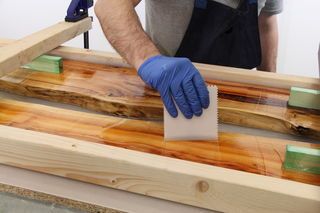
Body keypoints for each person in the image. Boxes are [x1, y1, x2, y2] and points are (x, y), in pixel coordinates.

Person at [94, 0, 283, 119]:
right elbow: (109, 5)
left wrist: (268, 89)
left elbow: (265, 22)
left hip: (240, 102)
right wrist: (147, 59)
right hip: (170, 96)